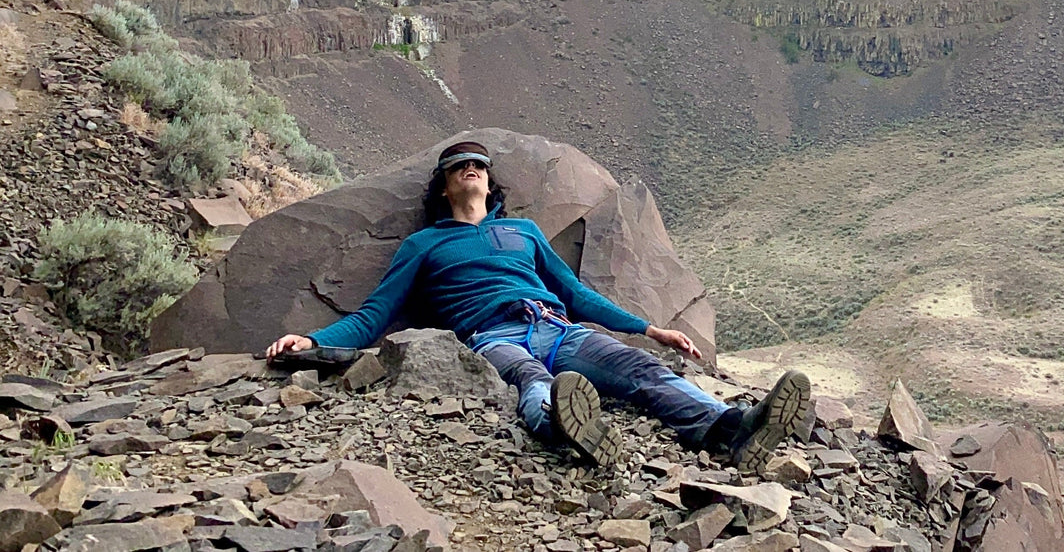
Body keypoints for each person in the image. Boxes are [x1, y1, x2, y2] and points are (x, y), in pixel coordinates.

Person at [265, 141, 810, 470]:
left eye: (478, 164)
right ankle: (565, 428)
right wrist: (313, 341)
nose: (469, 169)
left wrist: (650, 329)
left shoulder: (523, 232)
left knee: (639, 369)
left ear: (490, 182)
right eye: (458, 166)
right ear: (444, 187)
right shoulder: (424, 244)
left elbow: (576, 294)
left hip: (556, 325)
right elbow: (375, 314)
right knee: (530, 380)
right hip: (491, 338)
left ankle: (731, 428)